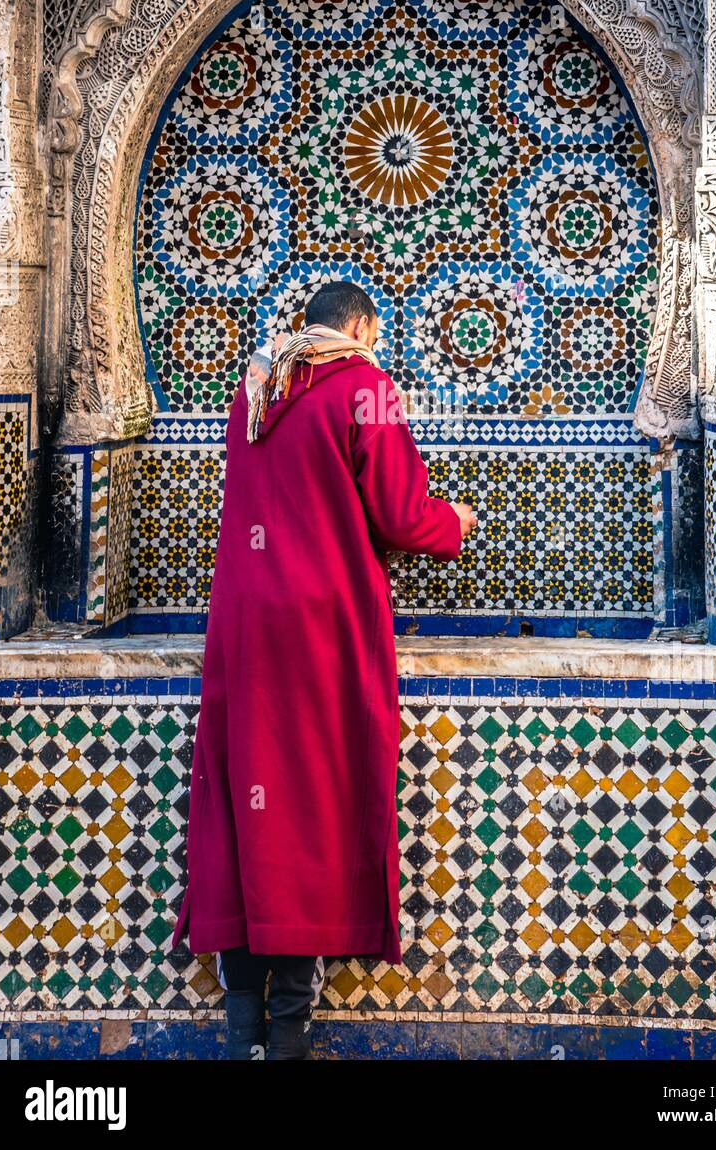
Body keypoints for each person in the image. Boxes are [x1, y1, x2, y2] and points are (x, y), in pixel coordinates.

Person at [170, 280, 476, 1059]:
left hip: (243, 621)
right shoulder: (368, 386)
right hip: (320, 626)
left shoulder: (254, 388)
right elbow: (402, 514)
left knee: (248, 797)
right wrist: (455, 523)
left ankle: (243, 1026)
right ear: (362, 327)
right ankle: (290, 1029)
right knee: (311, 801)